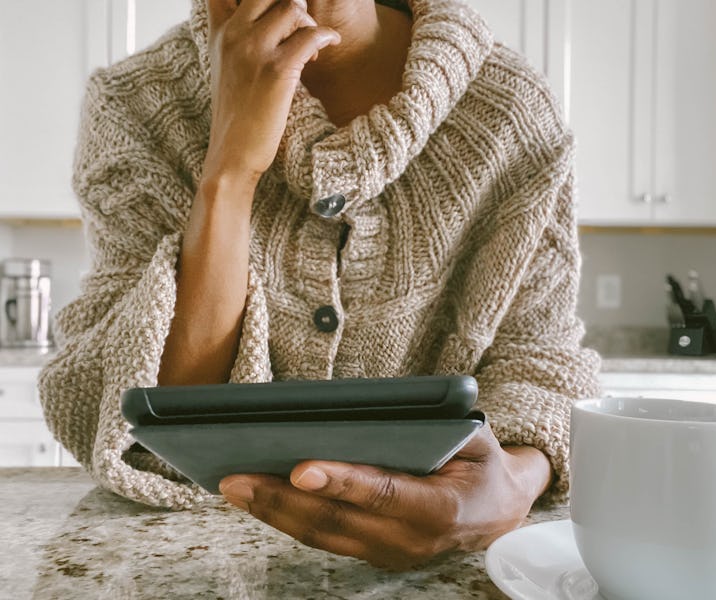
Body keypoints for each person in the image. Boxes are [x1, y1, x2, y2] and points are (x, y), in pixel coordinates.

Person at [38, 0, 600, 570]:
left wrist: (515, 484)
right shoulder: (135, 104)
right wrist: (230, 171)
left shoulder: (510, 110)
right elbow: (149, 422)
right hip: (195, 566)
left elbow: (540, 366)